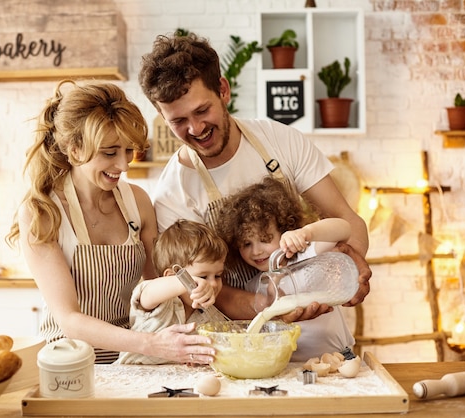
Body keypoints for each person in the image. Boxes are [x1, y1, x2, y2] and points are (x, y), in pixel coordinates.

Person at [137, 31, 371, 324]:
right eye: (179, 121)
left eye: (202, 110)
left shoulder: (281, 140)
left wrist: (351, 263)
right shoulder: (173, 193)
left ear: (223, 90)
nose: (196, 129)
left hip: (320, 321)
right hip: (246, 340)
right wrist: (273, 304)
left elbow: (346, 219)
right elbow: (201, 289)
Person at [6, 80, 214, 365]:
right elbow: (70, 320)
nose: (124, 165)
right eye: (109, 152)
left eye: (128, 151)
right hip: (69, 364)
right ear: (74, 149)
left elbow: (155, 289)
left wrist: (194, 290)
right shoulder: (43, 213)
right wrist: (154, 344)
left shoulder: (137, 203)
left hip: (131, 360)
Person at [215, 176, 354, 360]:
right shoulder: (253, 287)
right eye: (246, 244)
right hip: (292, 366)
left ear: (284, 229)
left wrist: (306, 233)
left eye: (265, 239)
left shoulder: (307, 257)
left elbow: (344, 228)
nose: (256, 251)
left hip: (337, 357)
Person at [116, 219, 227, 365]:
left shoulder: (211, 316)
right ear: (171, 276)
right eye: (202, 277)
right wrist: (183, 282)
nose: (212, 284)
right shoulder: (160, 302)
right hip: (130, 379)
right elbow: (147, 292)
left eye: (217, 276)